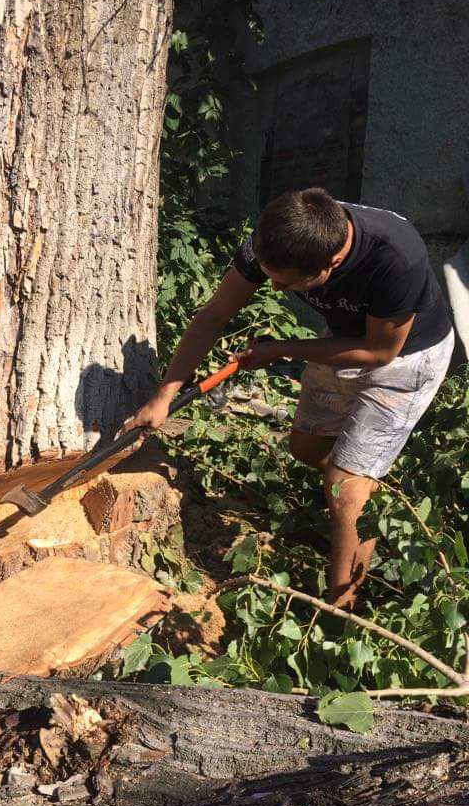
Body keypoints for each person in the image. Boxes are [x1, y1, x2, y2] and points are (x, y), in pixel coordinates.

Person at [127, 188, 455, 609]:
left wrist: (282, 349)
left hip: (407, 357)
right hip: (341, 340)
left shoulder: (395, 256)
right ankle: (362, 491)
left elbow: (379, 352)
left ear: (332, 263)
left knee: (344, 485)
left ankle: (342, 614)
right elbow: (213, 315)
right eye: (268, 275)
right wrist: (165, 393)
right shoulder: (276, 237)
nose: (275, 287)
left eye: (285, 283)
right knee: (305, 448)